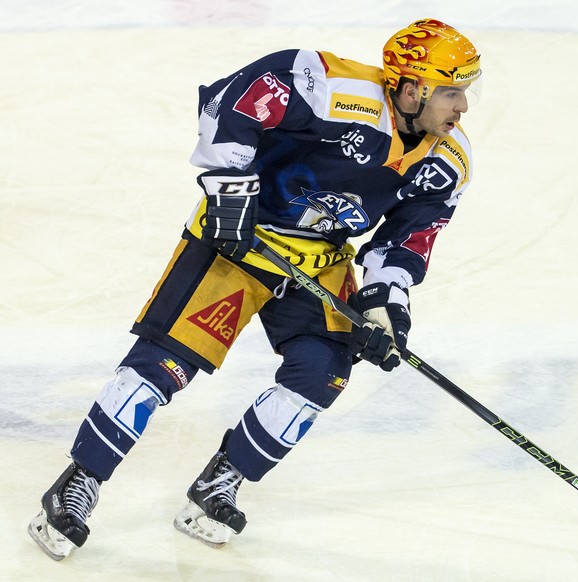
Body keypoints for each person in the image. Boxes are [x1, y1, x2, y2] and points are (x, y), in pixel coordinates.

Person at [27, 18, 482, 560]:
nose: (463, 107)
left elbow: (405, 243)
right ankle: (79, 484)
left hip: (321, 260)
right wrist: (231, 190)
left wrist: (385, 310)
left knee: (322, 374)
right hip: (242, 243)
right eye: (452, 92)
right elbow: (232, 101)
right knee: (167, 362)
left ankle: (222, 481)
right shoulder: (331, 88)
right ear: (412, 88)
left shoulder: (446, 162)